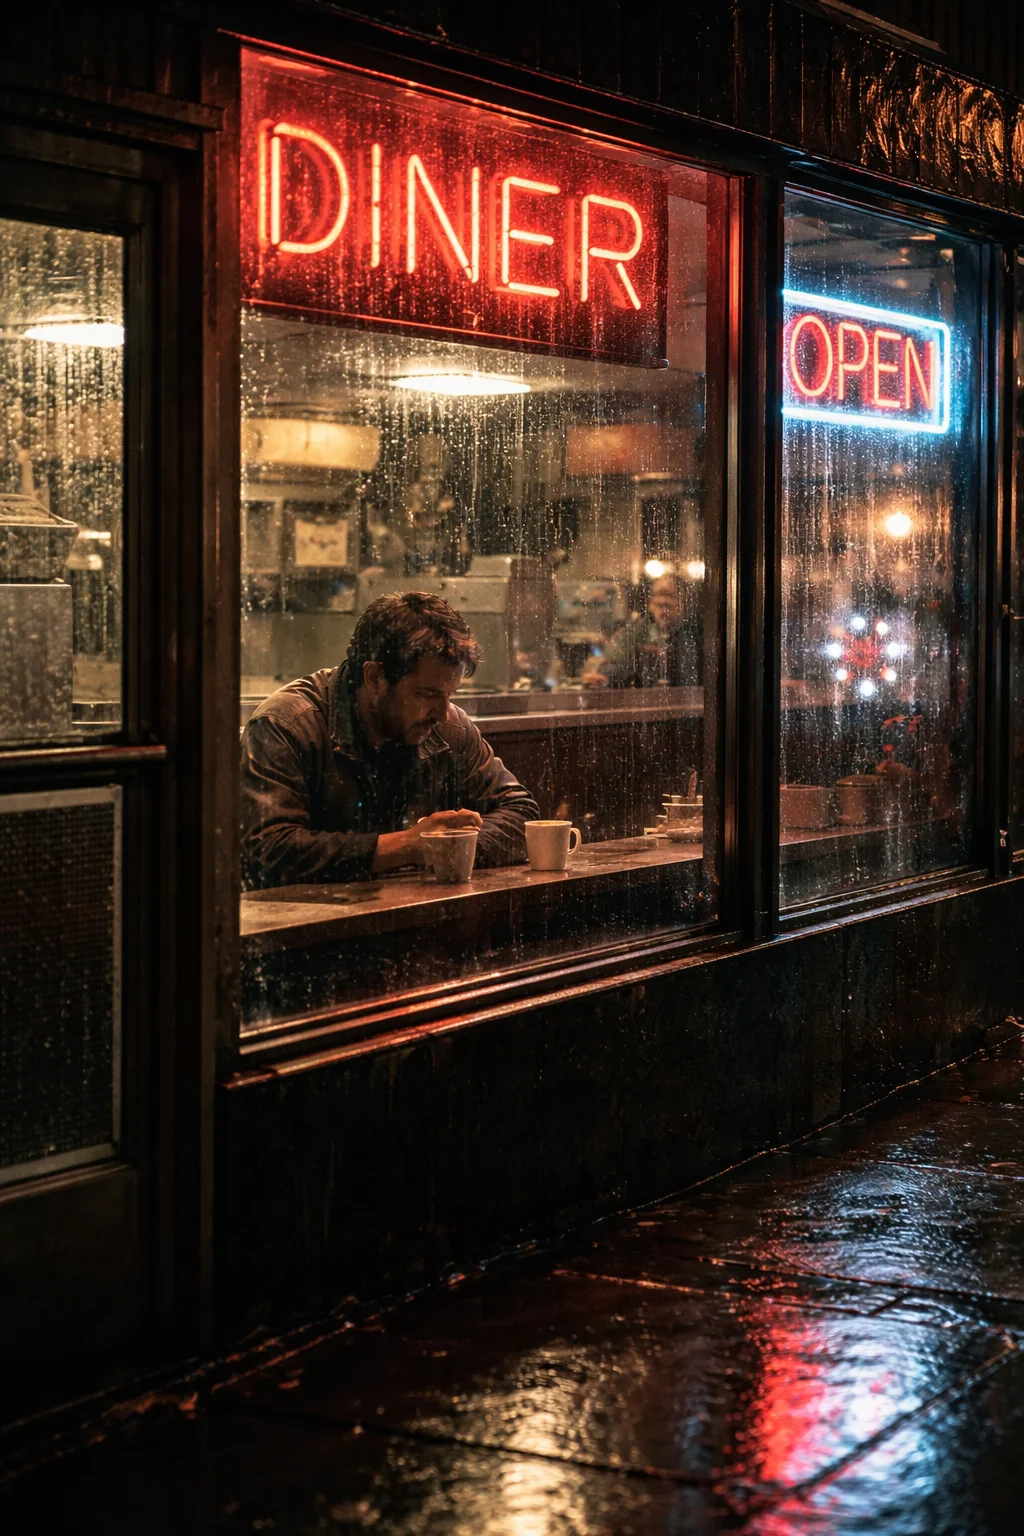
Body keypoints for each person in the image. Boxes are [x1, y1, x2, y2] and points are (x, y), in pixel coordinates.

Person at [240, 592, 539, 889]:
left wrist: (449, 843)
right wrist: (406, 846)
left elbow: (521, 814)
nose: (442, 713)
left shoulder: (450, 729)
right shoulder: (286, 725)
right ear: (373, 677)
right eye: (427, 694)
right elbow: (266, 850)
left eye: (450, 694)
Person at [582, 573, 702, 689]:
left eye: (671, 595)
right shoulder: (636, 633)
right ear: (650, 604)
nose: (663, 601)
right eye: (658, 595)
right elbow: (603, 665)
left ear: (685, 602)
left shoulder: (697, 634)